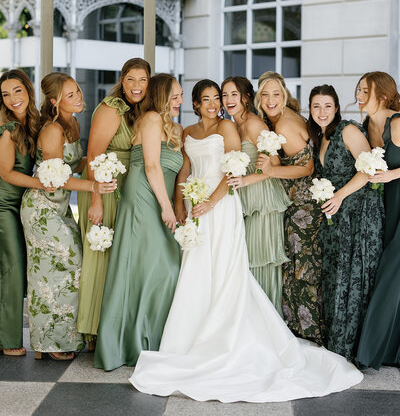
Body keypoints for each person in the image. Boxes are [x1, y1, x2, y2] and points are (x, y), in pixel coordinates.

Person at [129, 79, 363, 403]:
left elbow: (233, 170)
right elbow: (184, 172)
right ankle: (190, 335)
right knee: (195, 269)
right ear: (195, 105)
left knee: (228, 269)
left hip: (222, 205)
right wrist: (182, 204)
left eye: (220, 97)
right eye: (208, 99)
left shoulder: (229, 126)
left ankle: (232, 335)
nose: (215, 103)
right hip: (197, 205)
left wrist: (212, 201)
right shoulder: (187, 133)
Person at [20, 72, 115, 361]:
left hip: (60, 208)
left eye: (77, 92)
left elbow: (76, 161)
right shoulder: (52, 130)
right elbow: (56, 176)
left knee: (69, 268)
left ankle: (61, 338)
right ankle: (49, 342)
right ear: (54, 101)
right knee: (61, 266)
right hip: (41, 209)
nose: (78, 98)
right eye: (70, 95)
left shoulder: (72, 123)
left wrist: (106, 161)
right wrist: (93, 185)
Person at [94, 73, 183, 371]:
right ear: (162, 97)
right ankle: (131, 343)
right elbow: (151, 165)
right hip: (145, 197)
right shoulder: (151, 120)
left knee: (162, 269)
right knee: (156, 269)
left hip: (162, 199)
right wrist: (166, 207)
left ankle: (153, 340)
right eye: (176, 96)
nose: (181, 101)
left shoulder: (174, 126)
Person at [77, 58, 150, 345]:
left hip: (125, 185)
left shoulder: (139, 111)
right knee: (101, 252)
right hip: (104, 185)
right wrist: (96, 199)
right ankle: (93, 329)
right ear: (122, 80)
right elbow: (94, 154)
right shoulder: (112, 108)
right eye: (131, 79)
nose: (136, 86)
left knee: (117, 257)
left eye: (142, 80)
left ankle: (111, 325)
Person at [308, 84, 384, 361]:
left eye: (327, 106)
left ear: (336, 108)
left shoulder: (348, 130)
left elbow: (368, 169)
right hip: (336, 215)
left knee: (354, 276)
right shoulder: (320, 136)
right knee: (336, 275)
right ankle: (336, 341)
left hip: (359, 211)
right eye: (316, 106)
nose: (322, 111)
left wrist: (339, 195)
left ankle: (354, 348)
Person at [255, 72, 324, 345]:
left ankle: (311, 330)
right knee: (297, 265)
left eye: (276, 94)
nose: (271, 100)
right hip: (296, 202)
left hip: (304, 205)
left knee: (304, 266)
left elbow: (306, 167)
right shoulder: (275, 119)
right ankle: (299, 326)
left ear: (284, 96)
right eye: (265, 95)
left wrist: (272, 170)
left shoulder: (283, 123)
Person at [221, 76, 290, 315]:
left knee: (258, 260)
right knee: (244, 260)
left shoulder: (253, 124)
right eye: (225, 95)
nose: (228, 100)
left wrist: (245, 180)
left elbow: (274, 165)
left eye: (233, 94)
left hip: (262, 200)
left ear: (246, 97)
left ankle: (265, 322)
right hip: (244, 198)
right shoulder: (231, 125)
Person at [0, 69, 48, 357]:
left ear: (28, 91)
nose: (12, 99)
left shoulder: (35, 124)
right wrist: (42, 182)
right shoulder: (7, 130)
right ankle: (8, 340)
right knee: (13, 269)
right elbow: (6, 173)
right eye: (5, 94)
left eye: (17, 91)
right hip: (3, 204)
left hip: (20, 205)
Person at [356, 71, 400, 369]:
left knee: (391, 273)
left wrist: (391, 175)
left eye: (364, 91)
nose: (358, 96)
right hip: (385, 206)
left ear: (382, 95)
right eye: (358, 90)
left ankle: (373, 351)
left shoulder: (397, 122)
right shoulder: (363, 125)